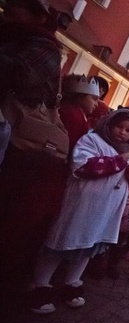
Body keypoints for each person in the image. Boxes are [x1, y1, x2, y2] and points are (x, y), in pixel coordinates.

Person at [28, 108, 129, 314]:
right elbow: (83, 166)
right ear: (109, 124)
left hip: (105, 210)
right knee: (62, 242)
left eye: (128, 130)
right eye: (120, 127)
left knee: (89, 247)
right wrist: (122, 161)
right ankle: (40, 284)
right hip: (82, 205)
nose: (123, 133)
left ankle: (72, 282)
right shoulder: (91, 140)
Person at [0, 0, 67, 302]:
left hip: (18, 138)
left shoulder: (45, 48)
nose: (8, 12)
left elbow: (20, 74)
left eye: (16, 9)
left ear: (38, 16)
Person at [60, 74, 100, 151]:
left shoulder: (69, 109)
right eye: (94, 99)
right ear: (80, 96)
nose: (97, 104)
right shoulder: (75, 116)